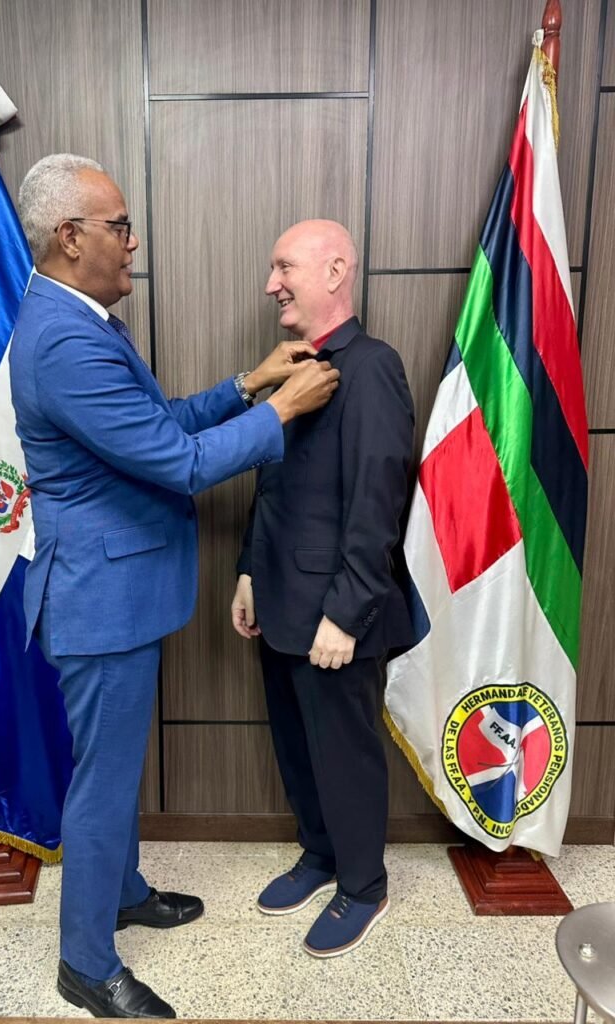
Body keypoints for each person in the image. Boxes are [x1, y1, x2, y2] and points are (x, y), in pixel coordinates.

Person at [9, 154, 339, 1018]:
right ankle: (86, 964)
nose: (133, 241)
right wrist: (280, 412)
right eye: (119, 226)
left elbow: (152, 424)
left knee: (114, 771)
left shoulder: (81, 319)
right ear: (69, 236)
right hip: (99, 601)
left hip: (117, 593)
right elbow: (178, 461)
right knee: (103, 785)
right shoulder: (64, 339)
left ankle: (120, 895)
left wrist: (247, 385)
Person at [231, 219, 415, 959]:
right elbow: (274, 482)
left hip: (336, 614)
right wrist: (249, 570)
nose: (271, 284)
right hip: (278, 601)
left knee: (344, 752)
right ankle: (320, 852)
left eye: (285, 268)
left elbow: (377, 501)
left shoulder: (372, 367)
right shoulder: (292, 366)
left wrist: (346, 612)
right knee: (297, 745)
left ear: (336, 271)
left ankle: (363, 884)